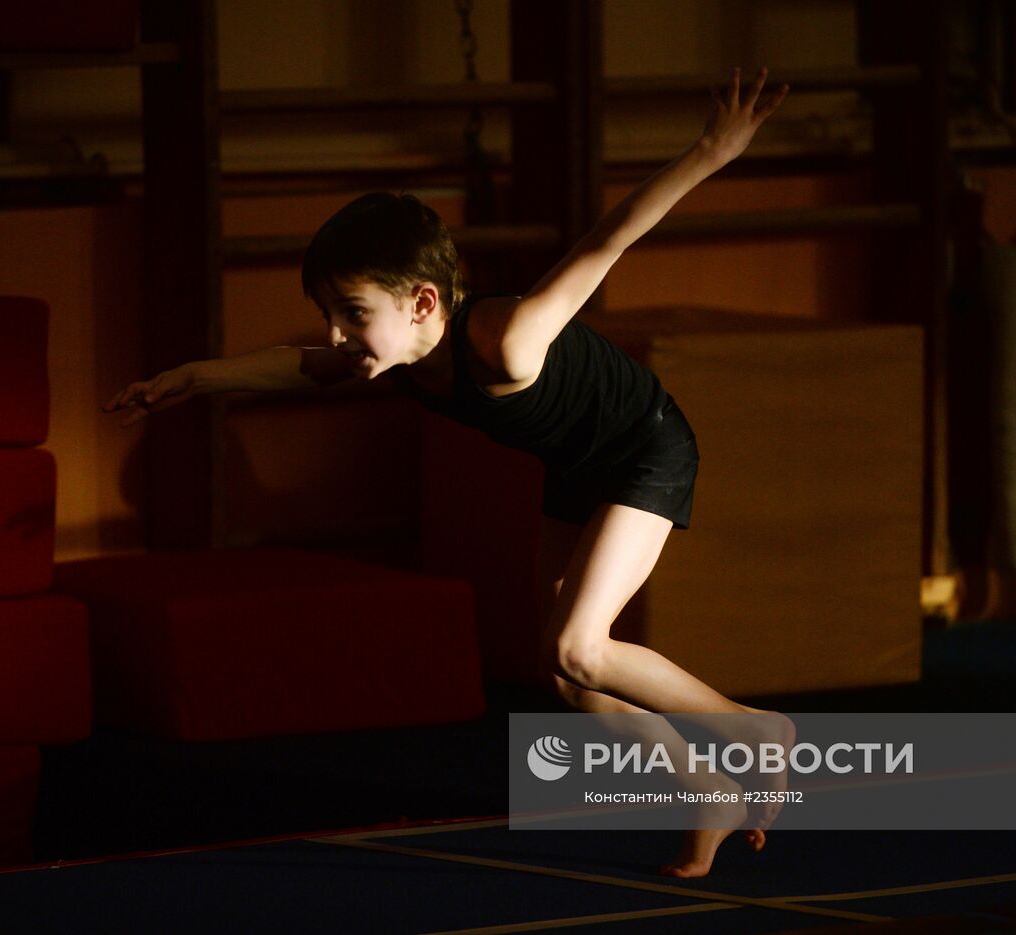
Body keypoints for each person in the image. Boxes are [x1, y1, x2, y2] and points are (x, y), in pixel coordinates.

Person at [105, 67, 793, 878]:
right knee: (564, 673)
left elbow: (605, 243)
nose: (335, 334)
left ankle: (757, 731)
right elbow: (292, 367)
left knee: (582, 647)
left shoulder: (507, 339)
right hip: (575, 463)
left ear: (424, 303)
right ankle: (705, 788)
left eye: (352, 314)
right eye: (331, 314)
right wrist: (187, 378)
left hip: (646, 447)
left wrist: (711, 151)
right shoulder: (390, 357)